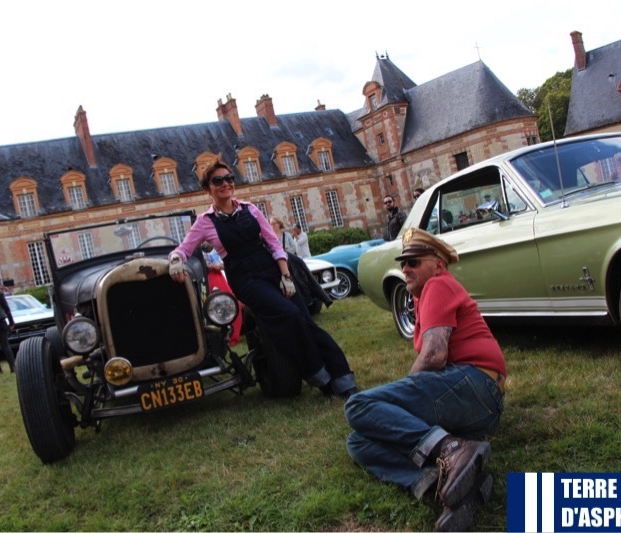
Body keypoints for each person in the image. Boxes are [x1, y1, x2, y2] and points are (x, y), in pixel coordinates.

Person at [344, 229, 506, 532]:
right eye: (403, 262)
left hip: (475, 385)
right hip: (476, 399)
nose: (405, 268)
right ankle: (443, 483)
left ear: (438, 265)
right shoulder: (427, 294)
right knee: (358, 441)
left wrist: (403, 395)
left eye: (414, 262)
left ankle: (452, 449)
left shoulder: (438, 285)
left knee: (359, 407)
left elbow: (434, 356)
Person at [168, 161, 357, 398]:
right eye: (218, 180)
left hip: (273, 269)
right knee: (290, 316)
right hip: (246, 279)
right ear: (208, 188)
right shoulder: (205, 222)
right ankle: (320, 375)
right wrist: (175, 260)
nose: (226, 183)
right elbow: (183, 249)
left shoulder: (250, 209)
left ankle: (342, 379)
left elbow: (273, 243)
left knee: (305, 321)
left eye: (229, 178)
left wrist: (286, 276)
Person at [202, 245, 243, 347]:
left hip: (221, 275)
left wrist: (220, 266)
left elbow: (225, 261)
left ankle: (232, 335)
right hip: (209, 277)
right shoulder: (198, 249)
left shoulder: (218, 245)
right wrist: (210, 266)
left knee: (230, 302)